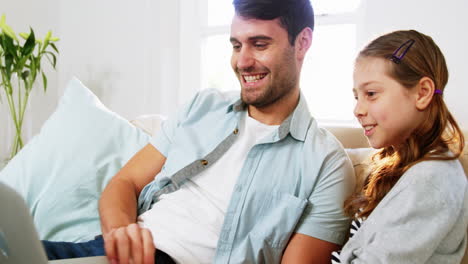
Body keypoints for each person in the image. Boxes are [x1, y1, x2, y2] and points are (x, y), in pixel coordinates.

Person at [43, 0, 356, 263]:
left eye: (259, 44)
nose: (243, 61)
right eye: (236, 45)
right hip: (109, 253)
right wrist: (121, 234)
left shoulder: (327, 164)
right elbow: (124, 183)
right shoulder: (203, 107)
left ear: (302, 42)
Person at [331, 30, 467, 264]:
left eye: (371, 94)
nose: (358, 110)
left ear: (422, 93)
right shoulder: (402, 166)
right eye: (357, 97)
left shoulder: (432, 180)